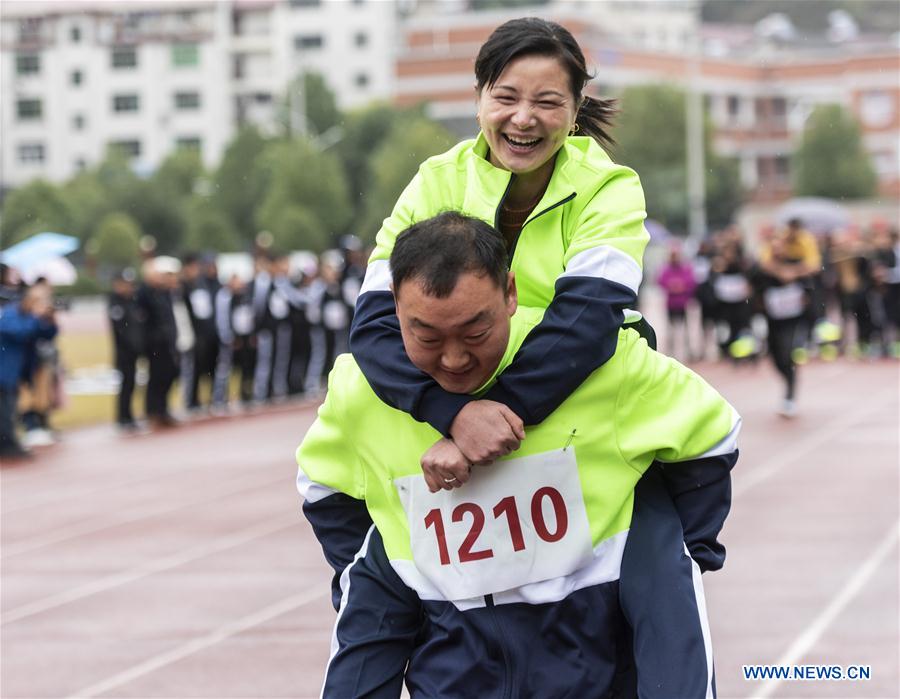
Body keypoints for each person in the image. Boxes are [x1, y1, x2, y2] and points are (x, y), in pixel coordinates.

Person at [342, 17, 718, 695]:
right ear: (480, 96)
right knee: (378, 605)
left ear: (575, 109)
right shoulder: (433, 181)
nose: (523, 119)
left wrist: (502, 410)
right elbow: (372, 323)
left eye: (547, 102)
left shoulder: (609, 187)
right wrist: (451, 413)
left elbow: (585, 321)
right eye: (506, 96)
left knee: (668, 626)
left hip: (595, 421)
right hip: (448, 428)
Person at [298, 213, 740, 697]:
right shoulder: (362, 393)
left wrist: (678, 552)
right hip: (454, 658)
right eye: (425, 337)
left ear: (509, 294)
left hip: (594, 650)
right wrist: (388, 578)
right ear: (394, 314)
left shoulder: (603, 366)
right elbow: (323, 485)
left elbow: (712, 434)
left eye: (474, 332)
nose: (454, 359)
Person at [0, 285, 58, 459]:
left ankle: (9, 442)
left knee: (10, 408)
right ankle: (6, 444)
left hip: (16, 370)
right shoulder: (10, 313)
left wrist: (50, 318)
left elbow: (47, 334)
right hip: (4, 370)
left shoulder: (29, 317)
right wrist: (37, 317)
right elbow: (20, 332)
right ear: (28, 300)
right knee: (6, 409)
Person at [137, 256, 181, 428]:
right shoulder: (143, 294)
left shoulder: (164, 293)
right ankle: (152, 411)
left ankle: (163, 409)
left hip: (167, 342)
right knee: (155, 378)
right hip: (153, 344)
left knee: (169, 374)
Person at [108, 268, 144, 431]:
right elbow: (121, 329)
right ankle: (122, 417)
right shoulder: (115, 302)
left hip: (135, 350)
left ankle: (129, 415)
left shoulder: (132, 301)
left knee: (132, 383)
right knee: (126, 384)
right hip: (124, 352)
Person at [656, 243, 697, 360]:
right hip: (671, 304)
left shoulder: (685, 268)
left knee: (686, 329)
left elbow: (691, 282)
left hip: (682, 303)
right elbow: (660, 281)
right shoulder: (666, 268)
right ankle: (671, 351)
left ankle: (688, 351)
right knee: (670, 329)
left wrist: (681, 286)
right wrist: (671, 286)